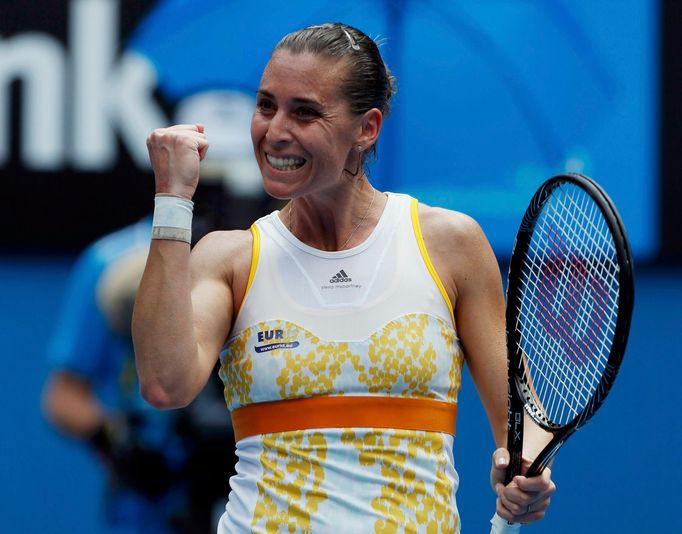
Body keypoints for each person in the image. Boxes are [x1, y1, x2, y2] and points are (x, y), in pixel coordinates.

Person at [132, 22, 556, 533]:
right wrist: (172, 201)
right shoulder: (230, 259)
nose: (275, 130)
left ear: (366, 128)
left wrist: (528, 471)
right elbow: (163, 383)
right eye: (266, 105)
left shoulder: (451, 245)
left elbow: (520, 417)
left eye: (305, 111)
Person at [41, 182, 262, 533]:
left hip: (246, 490)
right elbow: (63, 396)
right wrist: (116, 443)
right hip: (149, 501)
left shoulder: (262, 254)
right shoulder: (111, 264)